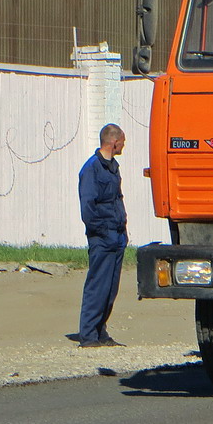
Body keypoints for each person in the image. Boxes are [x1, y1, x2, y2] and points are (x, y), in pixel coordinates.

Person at [77, 124, 128, 348]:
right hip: (102, 237)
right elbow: (87, 206)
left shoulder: (113, 167)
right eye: (122, 141)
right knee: (97, 285)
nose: (124, 146)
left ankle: (101, 332)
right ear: (113, 141)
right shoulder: (92, 168)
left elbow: (117, 199)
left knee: (110, 288)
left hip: (117, 235)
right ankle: (88, 335)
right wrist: (101, 231)